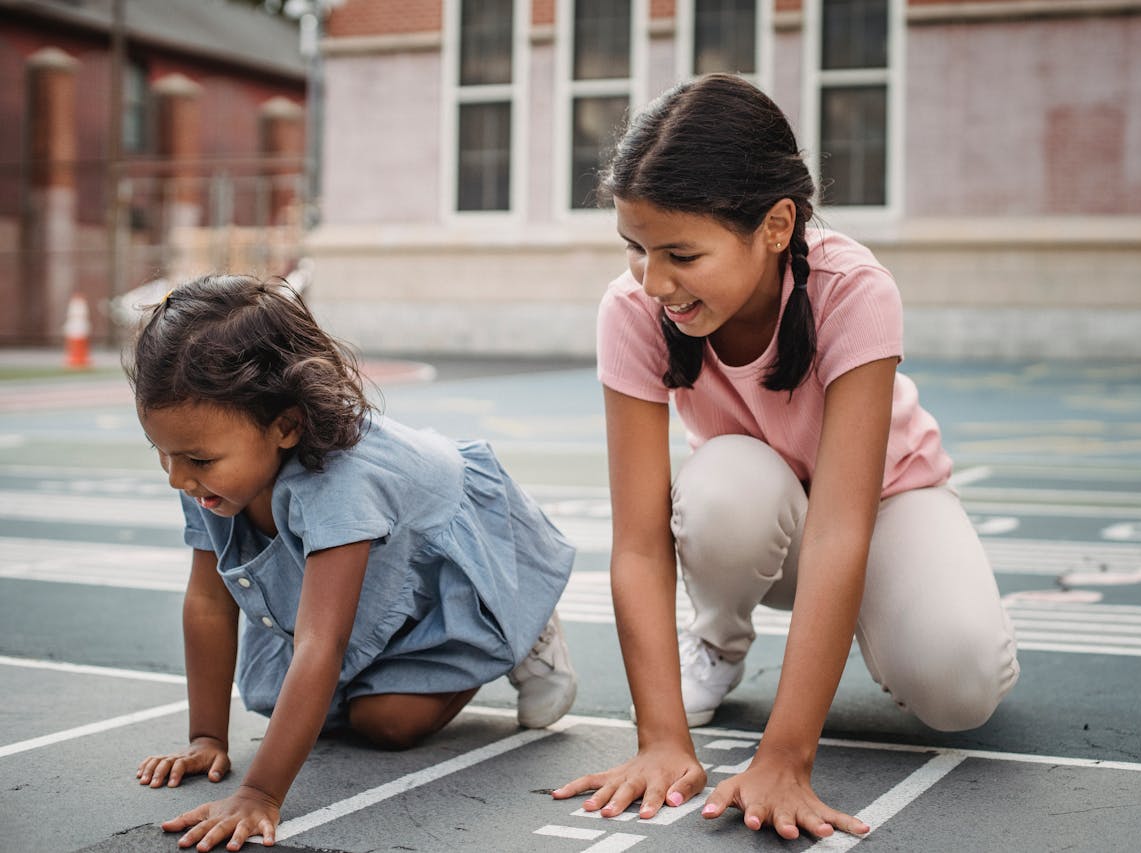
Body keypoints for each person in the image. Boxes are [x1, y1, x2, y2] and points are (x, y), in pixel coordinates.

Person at [553, 74, 1019, 841]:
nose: (654, 280)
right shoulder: (634, 308)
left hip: (886, 503)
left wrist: (785, 757)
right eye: (634, 248)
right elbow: (639, 542)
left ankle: (925, 622)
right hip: (765, 509)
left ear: (775, 226)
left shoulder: (853, 288)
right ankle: (719, 642)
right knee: (724, 487)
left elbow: (842, 528)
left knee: (958, 688)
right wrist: (661, 738)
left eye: (680, 253)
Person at [127, 275, 577, 852]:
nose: (177, 478)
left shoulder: (339, 482)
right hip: (368, 559)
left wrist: (260, 793)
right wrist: (206, 736)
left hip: (447, 549)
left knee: (386, 724)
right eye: (161, 453)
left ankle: (522, 626)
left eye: (196, 458)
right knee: (308, 708)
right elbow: (209, 603)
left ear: (286, 425)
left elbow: (321, 645)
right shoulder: (210, 479)